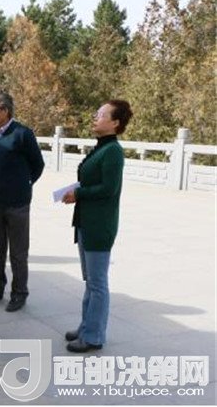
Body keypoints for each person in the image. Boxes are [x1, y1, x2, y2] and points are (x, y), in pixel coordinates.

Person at [62, 100, 132, 353]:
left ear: (115, 123)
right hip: (86, 221)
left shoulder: (113, 151)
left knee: (98, 283)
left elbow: (109, 189)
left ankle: (93, 336)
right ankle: (86, 327)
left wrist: (79, 194)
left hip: (99, 226)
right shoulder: (101, 147)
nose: (96, 117)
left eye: (101, 115)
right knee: (91, 281)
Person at [0, 92, 44, 311]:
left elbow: (38, 165)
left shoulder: (23, 134)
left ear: (5, 110)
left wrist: (24, 185)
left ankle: (19, 293)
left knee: (18, 253)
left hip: (18, 205)